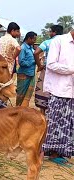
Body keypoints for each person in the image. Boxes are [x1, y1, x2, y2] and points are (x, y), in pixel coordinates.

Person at [41, 30, 74, 165]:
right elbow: (51, 64)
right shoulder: (59, 41)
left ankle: (61, 153)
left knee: (67, 125)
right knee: (55, 123)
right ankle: (49, 153)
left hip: (71, 91)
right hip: (58, 90)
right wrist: (72, 69)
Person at [34, 25, 63, 114]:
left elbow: (36, 53)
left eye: (50, 31)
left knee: (43, 91)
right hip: (62, 71)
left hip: (48, 70)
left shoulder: (47, 42)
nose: (49, 33)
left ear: (54, 32)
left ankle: (43, 114)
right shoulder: (66, 42)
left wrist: (40, 66)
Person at [16, 31, 37, 107]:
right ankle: (18, 109)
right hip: (24, 74)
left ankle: (24, 109)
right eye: (34, 39)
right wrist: (34, 61)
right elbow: (21, 62)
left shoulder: (31, 48)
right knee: (21, 94)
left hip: (31, 74)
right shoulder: (23, 48)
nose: (35, 41)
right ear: (29, 38)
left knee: (28, 94)